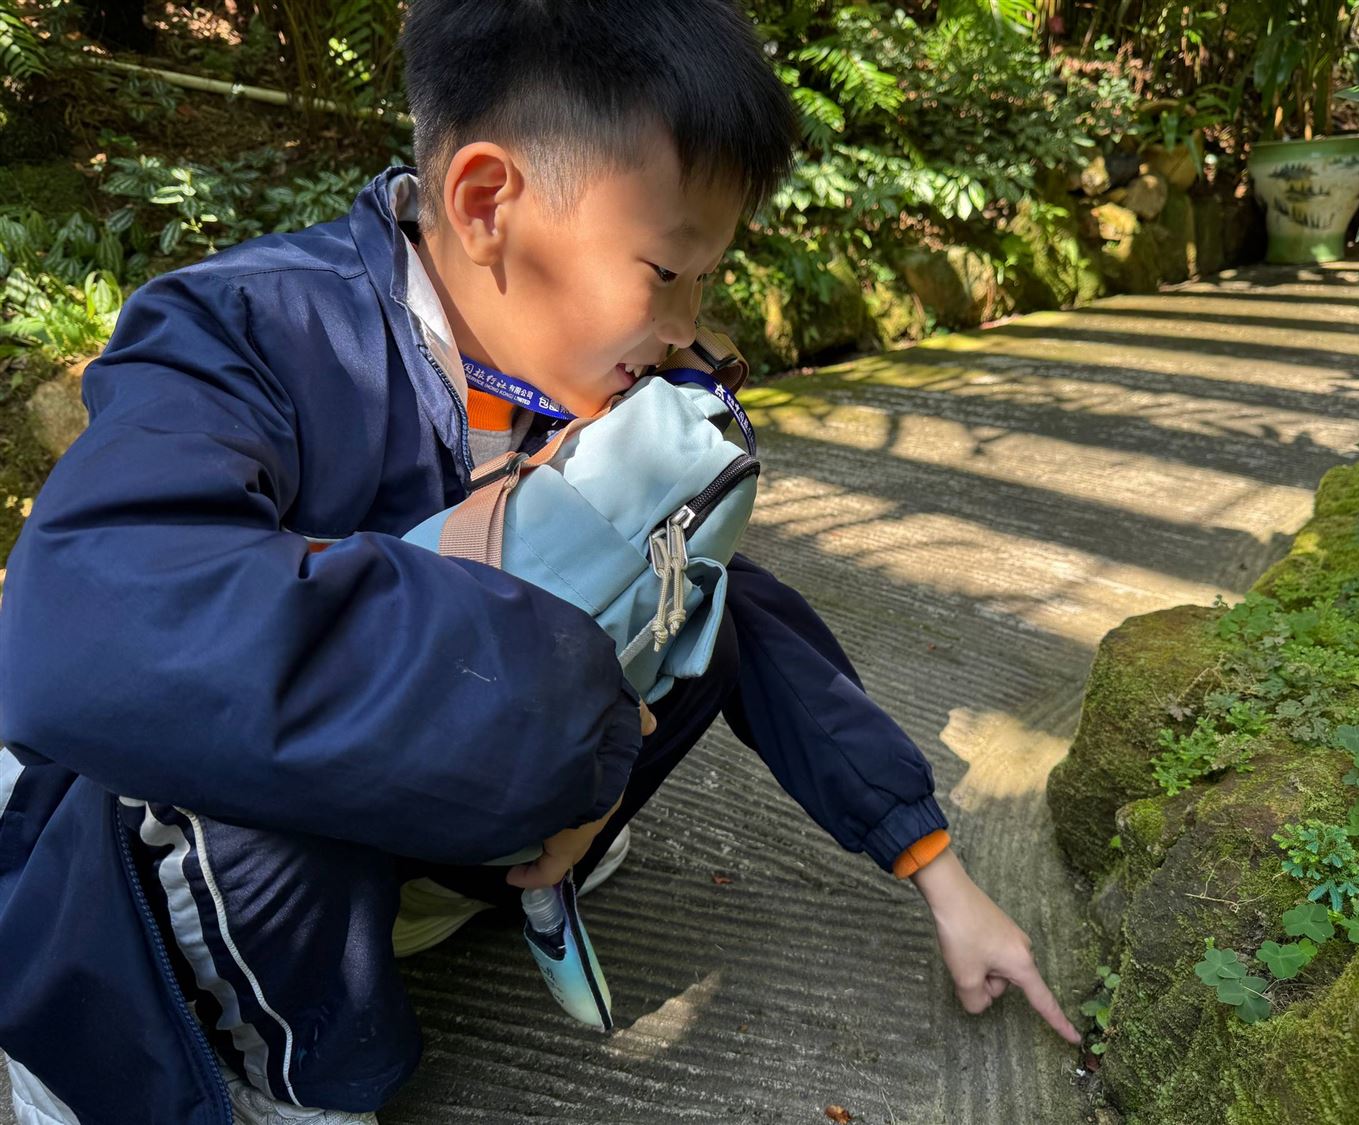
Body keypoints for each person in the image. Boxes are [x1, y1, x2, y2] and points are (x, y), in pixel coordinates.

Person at [0, 2, 1080, 1122]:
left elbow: (728, 610)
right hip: (244, 870)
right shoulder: (248, 329)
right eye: (666, 272)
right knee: (217, 746)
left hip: (455, 827)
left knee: (702, 603)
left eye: (705, 282)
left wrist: (936, 869)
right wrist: (569, 730)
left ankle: (498, 861)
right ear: (486, 204)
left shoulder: (596, 382)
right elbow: (85, 630)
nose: (685, 327)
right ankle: (301, 1080)